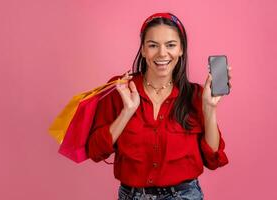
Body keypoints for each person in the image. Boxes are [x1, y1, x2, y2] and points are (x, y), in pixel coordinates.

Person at [86, 12, 231, 200]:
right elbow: (96, 152)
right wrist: (127, 112)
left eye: (171, 45)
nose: (162, 53)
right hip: (132, 195)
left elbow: (213, 160)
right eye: (153, 45)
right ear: (144, 49)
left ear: (181, 49)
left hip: (184, 195)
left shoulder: (196, 95)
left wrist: (209, 109)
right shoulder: (120, 89)